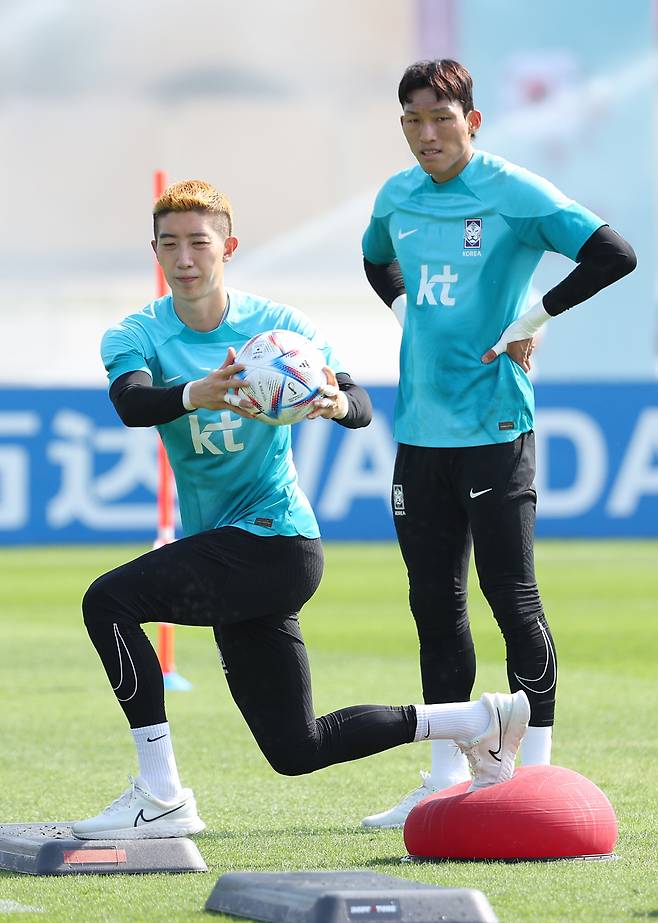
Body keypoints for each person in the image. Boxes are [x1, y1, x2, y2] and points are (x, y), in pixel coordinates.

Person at [72, 179, 530, 840]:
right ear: (155, 251)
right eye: (169, 244)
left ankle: (161, 793)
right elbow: (132, 403)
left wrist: (334, 403)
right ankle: (475, 720)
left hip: (277, 542)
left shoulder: (279, 330)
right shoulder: (136, 333)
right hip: (231, 551)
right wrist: (199, 392)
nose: (185, 258)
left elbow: (360, 404)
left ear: (228, 248)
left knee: (107, 601)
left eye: (199, 242)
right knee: (297, 748)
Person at [360, 60, 636, 828]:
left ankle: (537, 774)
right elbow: (375, 259)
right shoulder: (396, 196)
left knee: (511, 596)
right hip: (420, 432)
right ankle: (446, 776)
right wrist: (407, 311)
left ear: (473, 121)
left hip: (495, 427)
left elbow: (614, 253)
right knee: (434, 604)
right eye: (412, 120)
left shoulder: (513, 190)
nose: (426, 134)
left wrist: (531, 319)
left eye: (440, 118)